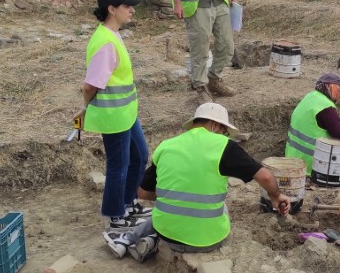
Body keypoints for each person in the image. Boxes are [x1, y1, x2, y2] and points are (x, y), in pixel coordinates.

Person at [103, 103, 291, 260]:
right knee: (220, 207)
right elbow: (265, 177)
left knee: (168, 207)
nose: (223, 136)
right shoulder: (224, 147)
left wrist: (171, 196)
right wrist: (276, 195)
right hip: (208, 241)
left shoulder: (166, 146)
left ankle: (135, 239)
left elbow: (143, 193)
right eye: (224, 131)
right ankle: (146, 240)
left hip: (167, 235)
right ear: (215, 125)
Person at [75, 0, 150, 232]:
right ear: (111, 9)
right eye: (127, 6)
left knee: (139, 157)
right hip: (114, 116)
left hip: (126, 113)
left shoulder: (113, 35)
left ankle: (128, 203)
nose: (132, 11)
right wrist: (85, 109)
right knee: (119, 165)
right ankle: (116, 215)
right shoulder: (106, 43)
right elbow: (90, 85)